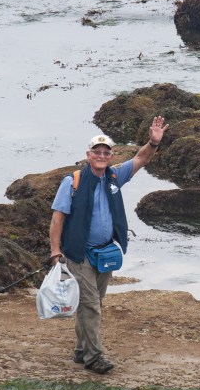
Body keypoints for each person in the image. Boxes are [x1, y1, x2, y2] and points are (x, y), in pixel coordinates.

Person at [49, 116, 168, 374]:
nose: (101, 156)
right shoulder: (73, 182)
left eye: (106, 152)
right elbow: (57, 218)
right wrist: (55, 252)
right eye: (97, 152)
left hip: (104, 253)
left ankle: (81, 350)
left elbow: (141, 159)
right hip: (78, 255)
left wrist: (153, 142)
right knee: (90, 305)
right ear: (88, 154)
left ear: (111, 156)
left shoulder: (115, 176)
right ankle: (94, 357)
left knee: (93, 304)